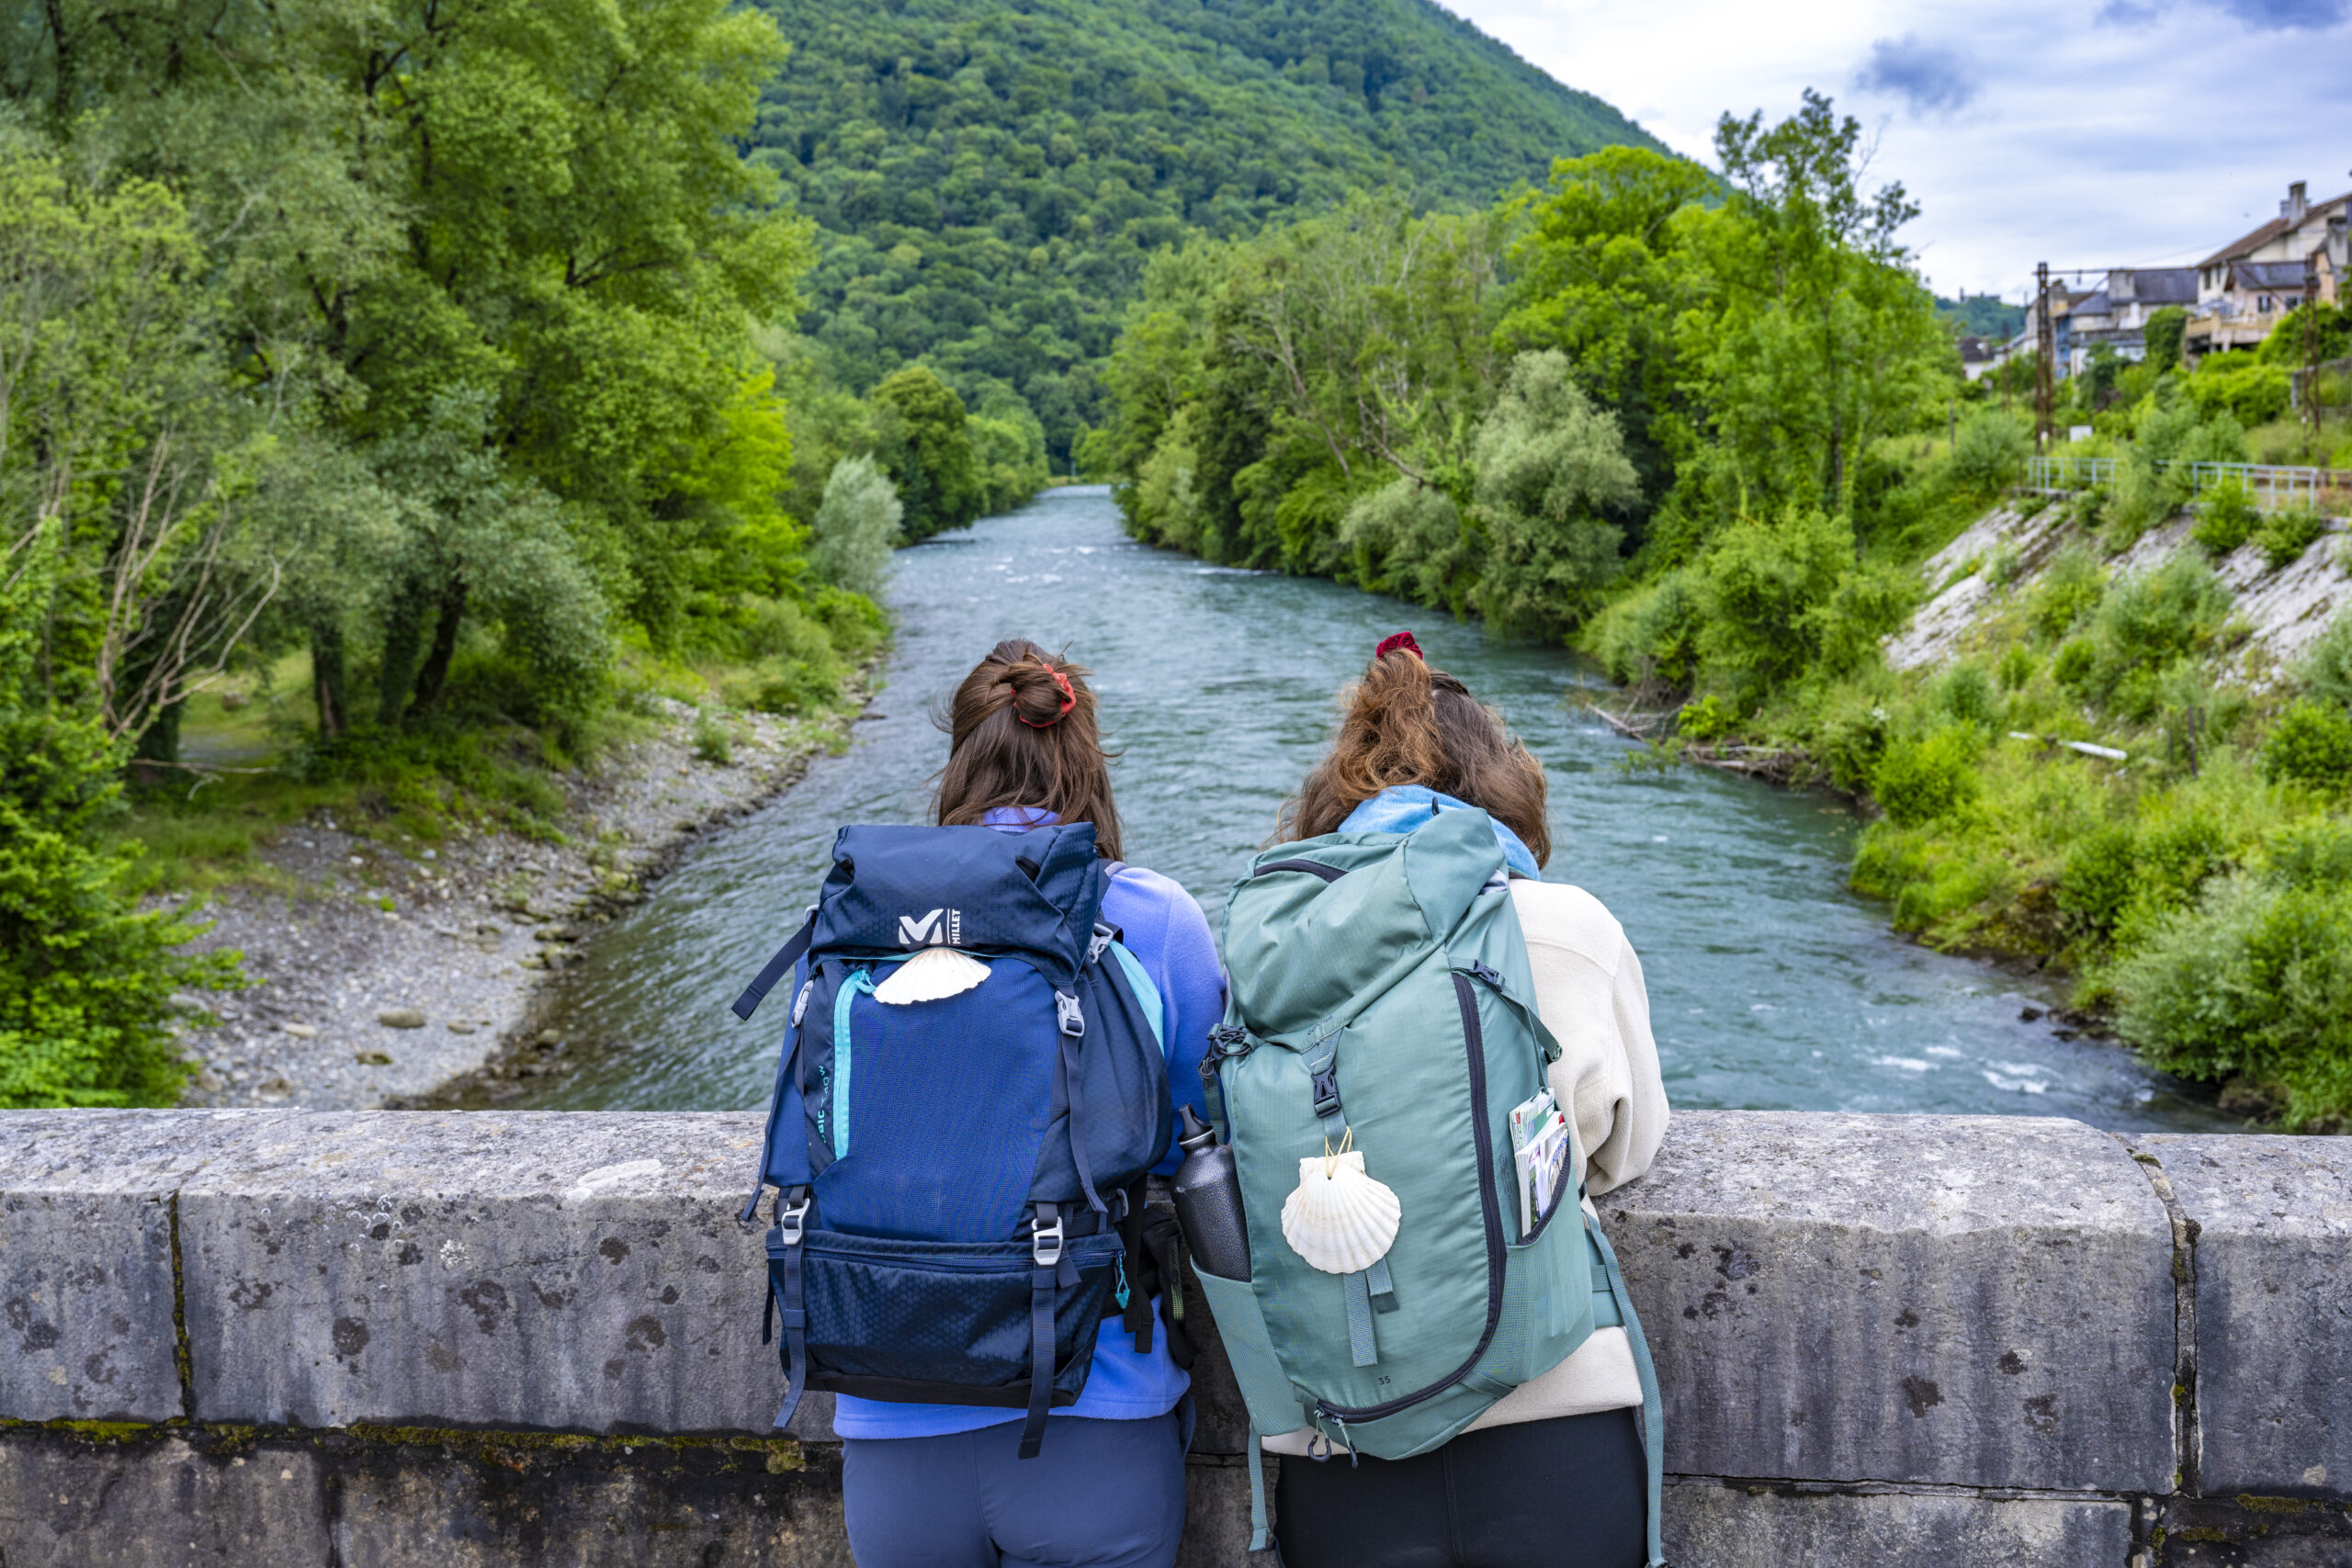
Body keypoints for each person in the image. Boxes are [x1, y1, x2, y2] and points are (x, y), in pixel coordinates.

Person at [1264, 632, 1670, 1568]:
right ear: (1503, 789)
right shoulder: (1571, 926)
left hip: (1344, 1427)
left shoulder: (1281, 933)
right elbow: (1625, 1148)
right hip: (1553, 1416)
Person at [835, 638, 1226, 1568]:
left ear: (959, 758)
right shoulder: (1149, 914)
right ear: (1088, 760)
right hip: (1092, 1405)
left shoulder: (861, 918)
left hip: (890, 1408)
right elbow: (1196, 1134)